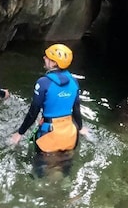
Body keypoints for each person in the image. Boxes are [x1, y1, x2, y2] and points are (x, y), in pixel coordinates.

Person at [10, 44, 87, 177]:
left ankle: (40, 187)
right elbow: (76, 108)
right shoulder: (74, 81)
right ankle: (64, 186)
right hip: (70, 133)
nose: (44, 58)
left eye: (48, 57)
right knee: (64, 169)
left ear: (54, 63)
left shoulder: (43, 82)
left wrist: (19, 133)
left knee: (39, 172)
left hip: (49, 132)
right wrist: (80, 127)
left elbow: (33, 111)